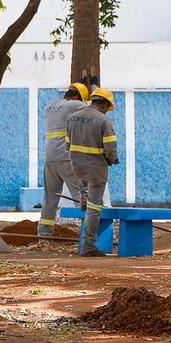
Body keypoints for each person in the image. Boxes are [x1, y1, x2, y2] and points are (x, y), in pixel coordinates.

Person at [66, 87, 119, 257]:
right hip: (96, 169)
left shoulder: (73, 118)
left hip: (77, 165)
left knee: (85, 191)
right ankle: (88, 245)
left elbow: (68, 143)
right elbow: (110, 149)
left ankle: (83, 200)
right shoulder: (103, 121)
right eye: (107, 107)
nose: (106, 111)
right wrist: (111, 160)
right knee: (95, 208)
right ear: (104, 104)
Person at [38, 82, 90, 236]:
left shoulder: (50, 107)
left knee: (50, 197)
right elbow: (93, 110)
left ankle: (44, 232)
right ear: (78, 96)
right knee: (80, 195)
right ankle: (87, 232)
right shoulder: (73, 105)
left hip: (50, 157)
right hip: (66, 157)